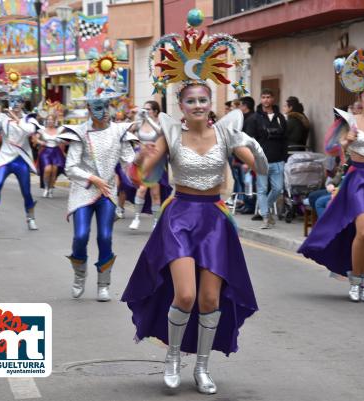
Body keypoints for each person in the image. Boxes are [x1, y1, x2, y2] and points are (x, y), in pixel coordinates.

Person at [122, 15, 268, 395]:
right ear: (181, 105)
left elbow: (260, 169)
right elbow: (145, 174)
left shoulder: (226, 133)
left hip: (215, 220)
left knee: (209, 299)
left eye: (204, 99)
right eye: (192, 100)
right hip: (180, 216)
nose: (199, 105)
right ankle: (172, 355)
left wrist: (256, 148)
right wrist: (144, 155)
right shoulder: (170, 132)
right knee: (184, 295)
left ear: (211, 103)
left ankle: (202, 368)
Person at [299, 45, 364, 302]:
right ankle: (355, 279)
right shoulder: (350, 121)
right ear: (360, 97)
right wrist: (347, 140)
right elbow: (335, 148)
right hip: (359, 180)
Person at [57, 57, 138, 302]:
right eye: (96, 107)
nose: (102, 111)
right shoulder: (78, 132)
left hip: (107, 193)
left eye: (105, 106)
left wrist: (144, 161)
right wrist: (93, 177)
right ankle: (79, 275)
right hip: (84, 189)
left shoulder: (119, 131)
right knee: (81, 235)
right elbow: (71, 167)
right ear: (89, 109)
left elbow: (128, 161)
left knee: (105, 236)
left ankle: (104, 283)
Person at [0, 83, 40, 230]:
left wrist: (16, 118)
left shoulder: (29, 118)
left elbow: (29, 131)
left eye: (18, 101)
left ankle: (30, 218)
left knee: (26, 191)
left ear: (22, 103)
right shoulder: (2, 118)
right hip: (5, 158)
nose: (15, 104)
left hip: (21, 158)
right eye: (12, 101)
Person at [127, 100, 171, 230]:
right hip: (142, 159)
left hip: (156, 160)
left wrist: (148, 119)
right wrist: (133, 117)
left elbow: (162, 133)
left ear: (155, 111)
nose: (145, 111)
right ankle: (136, 218)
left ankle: (156, 221)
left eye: (149, 109)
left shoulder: (159, 123)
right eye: (144, 108)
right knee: (141, 189)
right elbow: (128, 131)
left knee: (155, 193)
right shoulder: (140, 122)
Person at [253, 88, 287, 229]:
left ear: (273, 99)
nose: (266, 100)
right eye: (264, 97)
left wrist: (285, 157)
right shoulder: (255, 118)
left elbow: (285, 138)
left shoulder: (280, 118)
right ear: (261, 99)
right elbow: (250, 140)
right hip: (261, 160)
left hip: (278, 159)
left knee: (278, 188)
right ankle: (266, 217)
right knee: (262, 189)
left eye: (268, 97)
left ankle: (264, 208)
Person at [35, 113, 65, 198]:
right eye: (48, 120)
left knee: (54, 171)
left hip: (56, 152)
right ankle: (46, 188)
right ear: (46, 121)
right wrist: (41, 142)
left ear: (55, 121)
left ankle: (51, 189)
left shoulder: (59, 130)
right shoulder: (42, 130)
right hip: (46, 152)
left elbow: (65, 139)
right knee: (48, 169)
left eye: (52, 120)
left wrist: (63, 141)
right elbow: (35, 138)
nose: (50, 121)